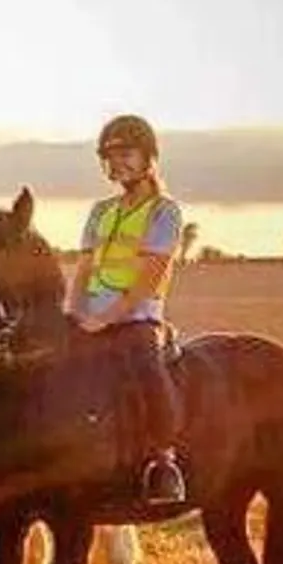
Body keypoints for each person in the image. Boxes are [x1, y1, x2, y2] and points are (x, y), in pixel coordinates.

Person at [69, 113, 188, 504]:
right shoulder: (100, 211)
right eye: (110, 156)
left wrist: (107, 319)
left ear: (148, 157)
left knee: (145, 367)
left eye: (126, 154)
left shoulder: (164, 212)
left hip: (137, 318)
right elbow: (83, 270)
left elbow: (150, 278)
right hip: (90, 317)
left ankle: (163, 461)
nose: (117, 162)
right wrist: (73, 313)